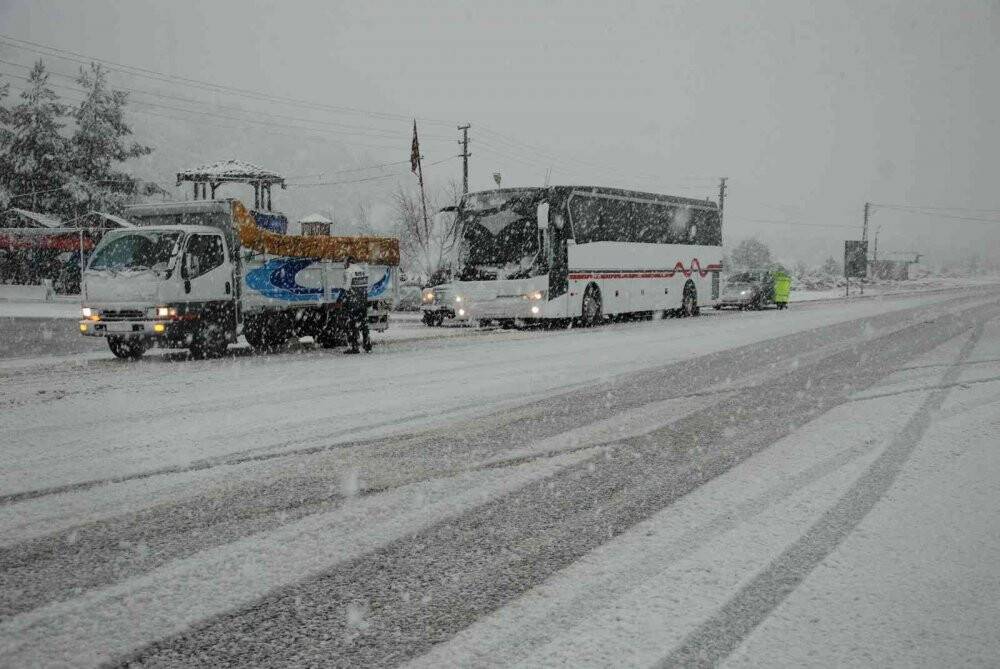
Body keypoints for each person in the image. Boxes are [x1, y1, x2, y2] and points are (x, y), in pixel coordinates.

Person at [341, 255, 371, 354]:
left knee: (352, 325)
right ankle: (367, 345)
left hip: (353, 303)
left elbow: (345, 288)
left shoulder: (348, 271)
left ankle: (354, 347)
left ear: (348, 262)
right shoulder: (362, 271)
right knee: (364, 324)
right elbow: (367, 287)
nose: (344, 264)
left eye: (345, 262)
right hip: (363, 302)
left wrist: (339, 299)